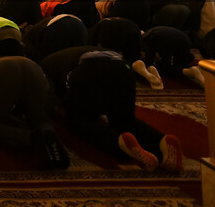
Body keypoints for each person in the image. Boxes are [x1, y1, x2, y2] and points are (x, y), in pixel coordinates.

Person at [41, 46, 183, 173]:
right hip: (124, 68)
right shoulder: (65, 56)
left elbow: (54, 101)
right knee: (124, 120)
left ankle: (119, 142)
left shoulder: (43, 70)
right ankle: (162, 141)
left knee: (78, 120)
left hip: (89, 70)